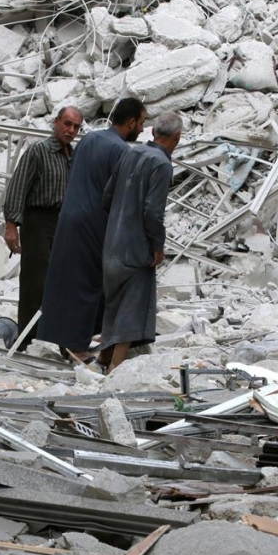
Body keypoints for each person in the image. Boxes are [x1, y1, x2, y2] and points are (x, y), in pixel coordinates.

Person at [37, 98, 148, 363]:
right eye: (142, 123)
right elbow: (118, 197)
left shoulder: (89, 139)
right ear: (131, 122)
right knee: (88, 284)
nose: (142, 129)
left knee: (67, 280)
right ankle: (76, 346)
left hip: (69, 216)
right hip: (94, 222)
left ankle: (69, 338)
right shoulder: (122, 151)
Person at [97, 112, 182, 370]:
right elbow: (153, 213)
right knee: (132, 305)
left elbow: (107, 197)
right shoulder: (161, 165)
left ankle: (102, 358)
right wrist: (158, 246)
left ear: (153, 132)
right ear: (177, 138)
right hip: (136, 249)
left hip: (112, 243)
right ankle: (115, 366)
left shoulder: (130, 153)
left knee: (113, 303)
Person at [2, 106, 83, 350]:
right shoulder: (39, 151)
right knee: (35, 282)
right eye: (67, 124)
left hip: (63, 223)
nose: (70, 130)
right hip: (38, 220)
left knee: (61, 281)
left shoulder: (73, 155)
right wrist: (11, 225)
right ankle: (27, 339)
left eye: (76, 127)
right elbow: (18, 186)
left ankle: (54, 337)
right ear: (56, 122)